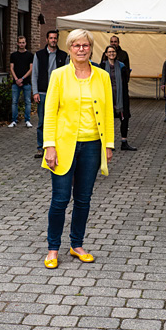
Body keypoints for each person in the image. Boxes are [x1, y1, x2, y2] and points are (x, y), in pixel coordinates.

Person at [42, 29, 115, 269]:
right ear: (70, 48)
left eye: (85, 45)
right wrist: (49, 146)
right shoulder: (59, 75)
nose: (81, 49)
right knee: (60, 199)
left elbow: (107, 112)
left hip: (93, 145)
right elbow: (50, 113)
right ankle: (53, 248)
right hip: (63, 146)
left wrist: (109, 144)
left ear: (91, 48)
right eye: (76, 45)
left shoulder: (102, 76)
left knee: (83, 199)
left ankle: (77, 244)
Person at [33, 30, 68, 158]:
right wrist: (35, 91)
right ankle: (40, 147)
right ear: (47, 39)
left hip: (59, 94)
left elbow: (67, 76)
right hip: (43, 93)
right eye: (51, 38)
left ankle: (56, 146)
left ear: (57, 40)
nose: (53, 40)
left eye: (55, 38)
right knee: (42, 122)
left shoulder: (64, 56)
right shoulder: (39, 55)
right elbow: (35, 74)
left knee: (58, 121)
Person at [100, 45, 137, 151]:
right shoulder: (101, 67)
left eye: (113, 51)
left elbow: (126, 81)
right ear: (106, 54)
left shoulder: (121, 66)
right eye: (109, 52)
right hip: (106, 97)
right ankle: (108, 144)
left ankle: (124, 142)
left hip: (121, 96)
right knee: (108, 121)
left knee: (124, 119)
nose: (112, 53)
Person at [8, 36, 34, 128]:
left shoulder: (30, 55)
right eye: (20, 42)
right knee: (14, 102)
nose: (21, 44)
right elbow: (11, 68)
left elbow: (31, 69)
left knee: (27, 102)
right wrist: (16, 79)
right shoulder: (13, 55)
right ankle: (14, 121)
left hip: (26, 82)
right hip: (15, 83)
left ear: (25, 43)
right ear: (17, 43)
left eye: (23, 42)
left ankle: (27, 120)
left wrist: (22, 78)